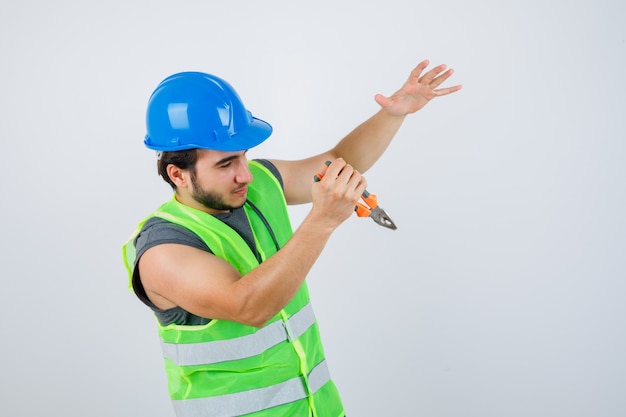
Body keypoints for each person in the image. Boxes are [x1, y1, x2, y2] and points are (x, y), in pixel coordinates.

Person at [122, 60, 461, 417]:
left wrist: (393, 115)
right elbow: (249, 307)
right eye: (225, 165)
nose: (244, 175)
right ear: (178, 174)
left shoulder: (259, 183)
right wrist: (320, 223)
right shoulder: (162, 251)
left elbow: (336, 163)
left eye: (243, 156)